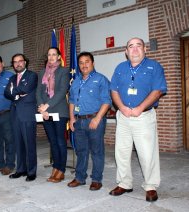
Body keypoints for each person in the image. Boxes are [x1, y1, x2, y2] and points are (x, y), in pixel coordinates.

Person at [109, 37, 167, 202]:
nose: (134, 49)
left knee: (147, 153)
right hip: (124, 116)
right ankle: (124, 183)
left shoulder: (154, 66)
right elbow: (114, 90)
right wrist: (121, 107)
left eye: (138, 46)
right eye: (130, 46)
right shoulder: (120, 68)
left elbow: (158, 90)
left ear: (145, 49)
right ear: (126, 52)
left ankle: (150, 186)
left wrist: (140, 108)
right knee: (121, 152)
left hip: (144, 116)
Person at [67, 52, 111, 191]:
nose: (84, 65)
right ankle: (80, 177)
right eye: (81, 62)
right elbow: (72, 101)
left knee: (97, 151)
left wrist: (97, 118)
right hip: (79, 121)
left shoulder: (101, 79)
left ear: (93, 63)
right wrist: (72, 118)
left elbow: (107, 101)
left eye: (87, 61)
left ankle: (96, 179)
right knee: (81, 151)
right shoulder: (76, 81)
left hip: (94, 120)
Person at [36, 47, 69, 183]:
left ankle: (61, 170)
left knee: (60, 141)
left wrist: (47, 106)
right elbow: (38, 91)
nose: (51, 57)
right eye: (49, 55)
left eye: (54, 54)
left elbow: (62, 91)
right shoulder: (42, 72)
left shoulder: (64, 71)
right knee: (53, 142)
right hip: (45, 112)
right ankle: (55, 167)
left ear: (59, 57)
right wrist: (42, 109)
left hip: (59, 111)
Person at [4, 53, 38, 182]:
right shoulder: (12, 78)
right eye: (15, 62)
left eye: (20, 61)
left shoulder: (32, 75)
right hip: (15, 114)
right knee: (18, 143)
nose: (18, 63)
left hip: (27, 113)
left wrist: (14, 92)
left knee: (29, 143)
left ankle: (31, 171)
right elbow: (6, 93)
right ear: (13, 64)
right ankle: (21, 169)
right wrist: (16, 94)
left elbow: (26, 88)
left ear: (25, 62)